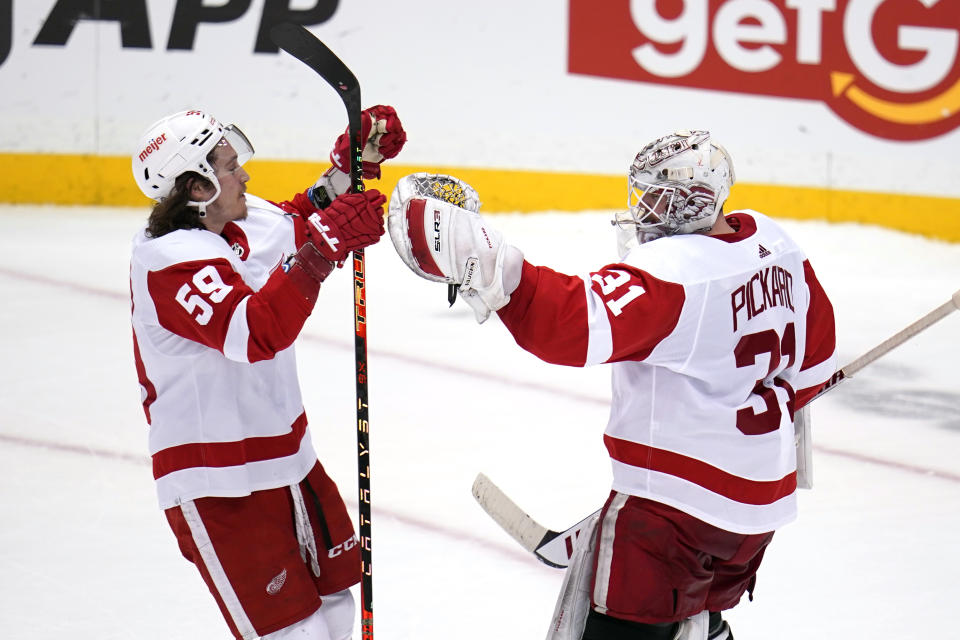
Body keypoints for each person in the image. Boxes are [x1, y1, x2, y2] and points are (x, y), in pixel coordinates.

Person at [386, 130, 837, 640]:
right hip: (756, 515)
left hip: (669, 516)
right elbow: (815, 363)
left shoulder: (675, 275)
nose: (644, 211)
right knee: (698, 615)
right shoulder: (775, 244)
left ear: (695, 198)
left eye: (657, 198)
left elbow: (570, 325)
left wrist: (489, 266)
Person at [129, 106, 405, 640]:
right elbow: (256, 332)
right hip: (220, 481)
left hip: (289, 459)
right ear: (195, 186)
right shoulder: (168, 261)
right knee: (296, 634)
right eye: (229, 166)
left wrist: (352, 165)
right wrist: (326, 246)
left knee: (337, 611)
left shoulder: (235, 217)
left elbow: (298, 225)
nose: (244, 175)